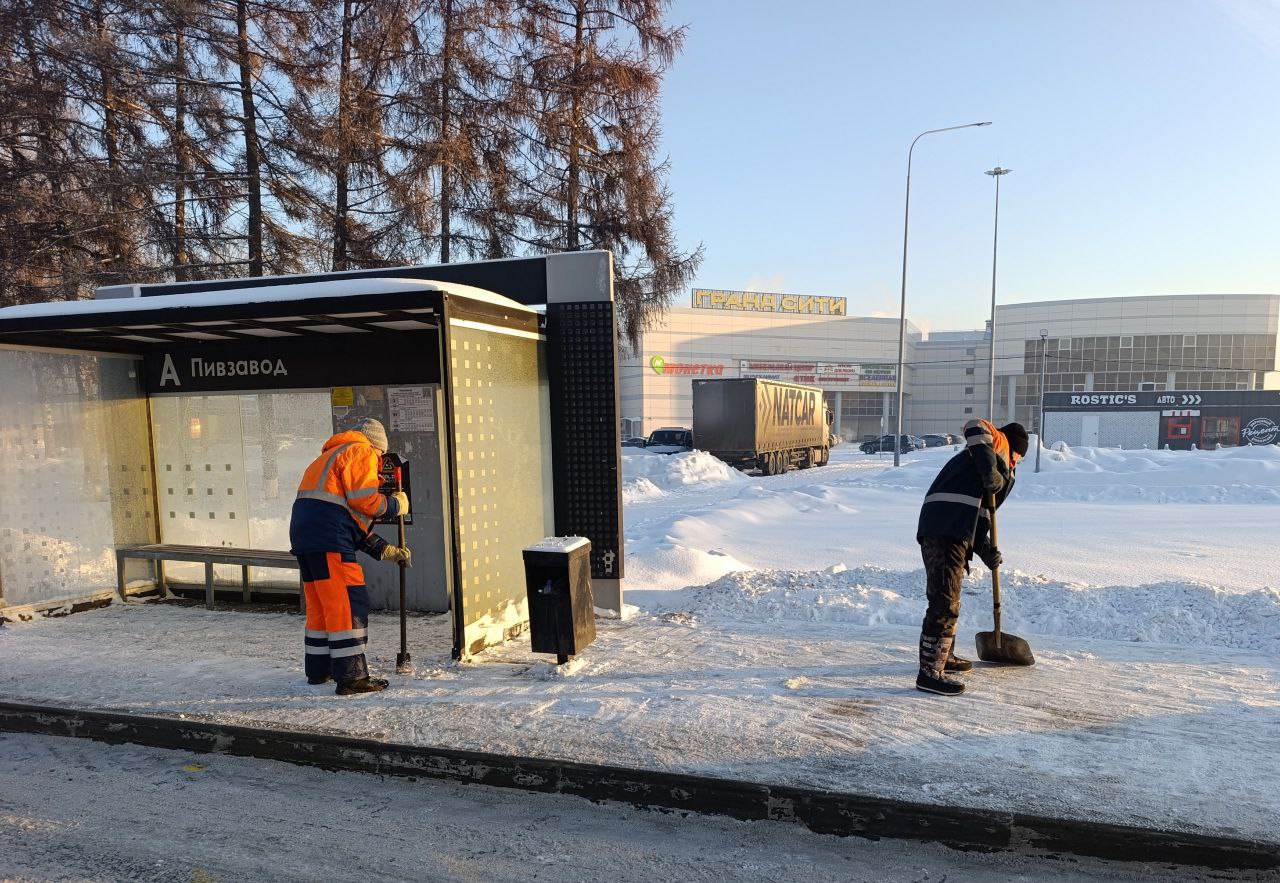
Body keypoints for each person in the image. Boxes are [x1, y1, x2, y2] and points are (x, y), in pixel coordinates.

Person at [289, 417, 412, 695]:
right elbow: (364, 499)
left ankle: (320, 671)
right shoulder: (360, 451)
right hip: (329, 540)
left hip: (308, 540)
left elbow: (346, 520)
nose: (379, 462)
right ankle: (352, 677)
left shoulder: (327, 458)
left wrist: (385, 550)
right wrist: (395, 505)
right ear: (377, 446)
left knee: (322, 607)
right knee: (347, 605)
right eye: (380, 456)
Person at [914, 419, 1029, 696]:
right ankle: (929, 673)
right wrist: (991, 469)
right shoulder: (997, 446)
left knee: (949, 598)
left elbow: (977, 514)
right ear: (1014, 448)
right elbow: (975, 425)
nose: (1017, 462)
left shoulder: (986, 464)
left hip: (953, 528)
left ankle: (944, 657)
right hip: (944, 529)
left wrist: (985, 548)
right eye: (1019, 456)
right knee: (944, 602)